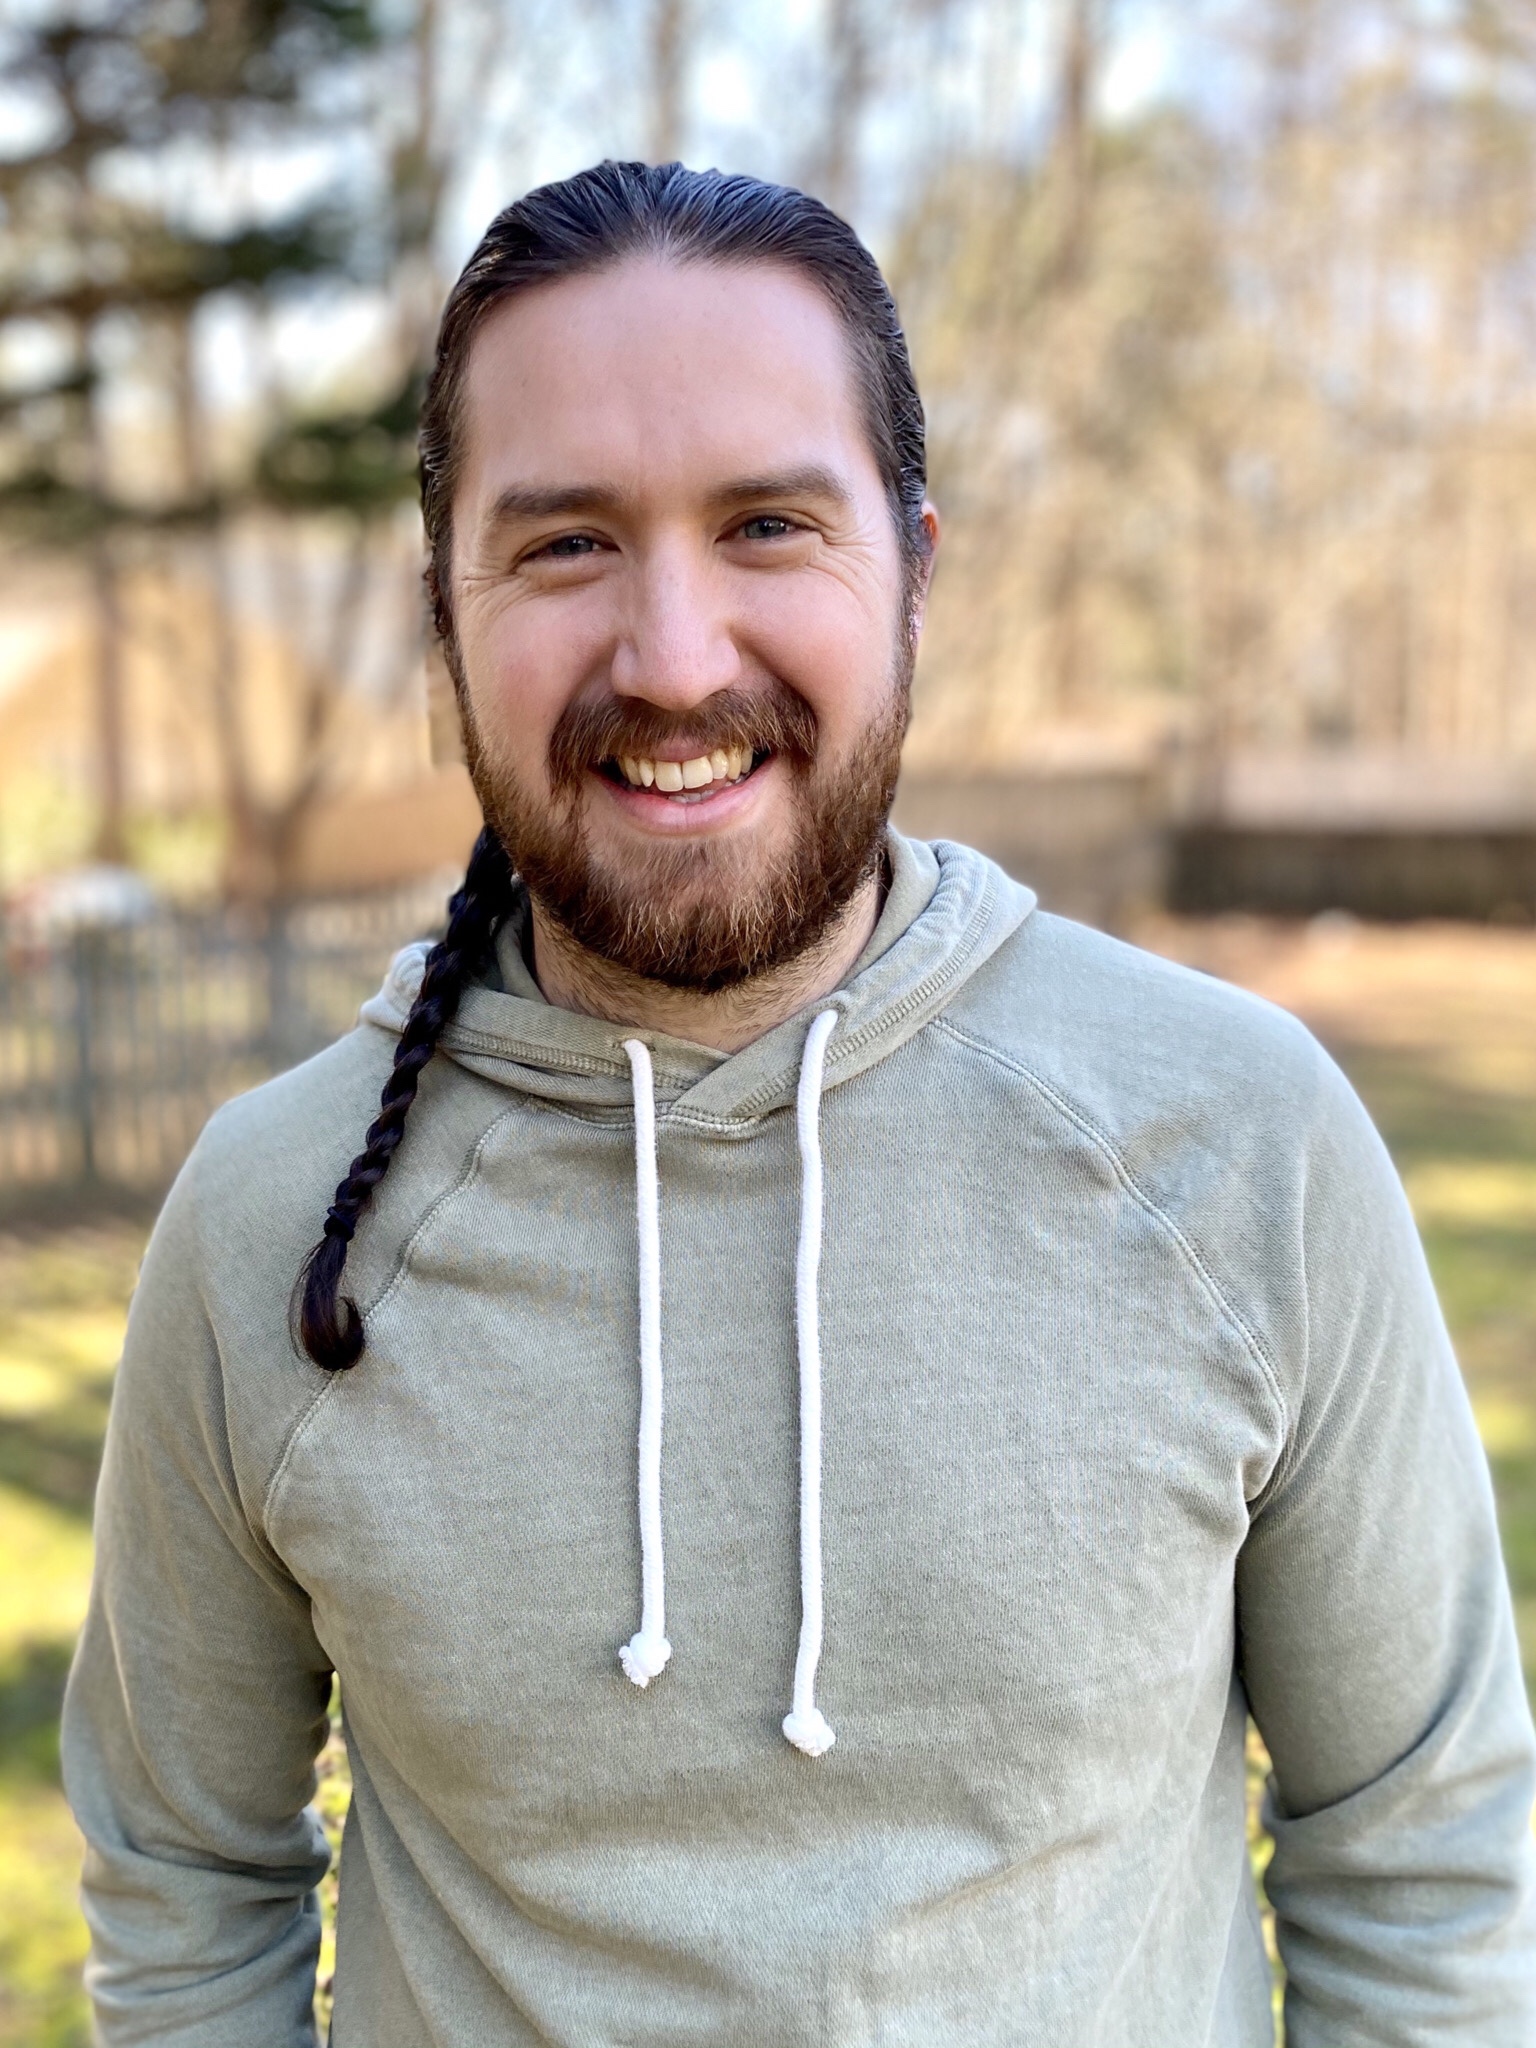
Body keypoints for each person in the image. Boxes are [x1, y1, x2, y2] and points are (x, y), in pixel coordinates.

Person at [63, 161, 1536, 2048]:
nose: (676, 659)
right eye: (566, 544)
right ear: (444, 617)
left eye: (767, 525)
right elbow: (187, 1894)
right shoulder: (278, 1229)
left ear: (915, 574)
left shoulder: (1242, 1146)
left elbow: (1422, 1867)